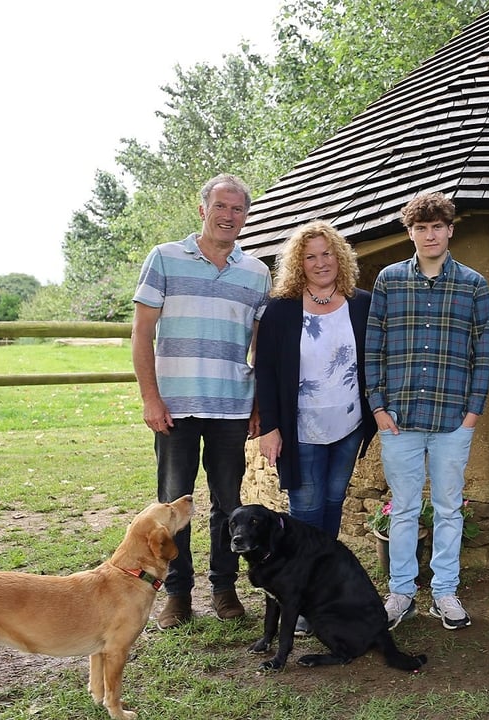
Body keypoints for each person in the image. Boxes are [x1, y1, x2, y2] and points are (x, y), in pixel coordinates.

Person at [132, 173, 271, 629]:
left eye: (238, 209)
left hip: (231, 406)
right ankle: (176, 593)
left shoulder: (256, 273)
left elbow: (260, 348)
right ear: (203, 210)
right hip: (175, 407)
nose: (228, 216)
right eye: (221, 207)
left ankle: (225, 587)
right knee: (173, 505)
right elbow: (142, 333)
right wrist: (151, 399)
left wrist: (257, 406)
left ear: (245, 217)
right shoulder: (165, 259)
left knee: (229, 505)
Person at [366, 191, 489, 631]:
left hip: (452, 419)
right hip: (398, 419)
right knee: (402, 509)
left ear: (450, 230)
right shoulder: (389, 280)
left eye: (437, 227)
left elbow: (485, 353)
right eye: (421, 228)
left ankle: (445, 592)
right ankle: (401, 592)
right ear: (411, 232)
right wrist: (378, 406)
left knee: (447, 508)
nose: (429, 234)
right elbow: (374, 348)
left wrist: (473, 411)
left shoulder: (473, 285)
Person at [252, 220, 373, 638]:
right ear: (298, 263)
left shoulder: (362, 303)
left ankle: (320, 589)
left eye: (327, 254)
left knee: (333, 504)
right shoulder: (282, 309)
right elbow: (265, 371)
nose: (320, 263)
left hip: (350, 424)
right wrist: (270, 427)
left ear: (339, 257)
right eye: (310, 256)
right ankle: (297, 599)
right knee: (305, 512)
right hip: (299, 425)